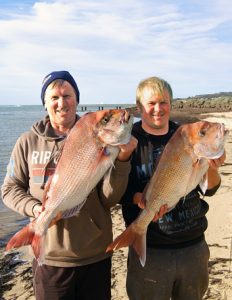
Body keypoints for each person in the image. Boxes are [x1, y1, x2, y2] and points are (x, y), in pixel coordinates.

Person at [1, 70, 137, 300]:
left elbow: (109, 199)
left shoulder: (96, 137)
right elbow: (9, 190)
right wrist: (37, 210)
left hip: (95, 255)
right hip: (50, 259)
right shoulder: (27, 142)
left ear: (77, 99)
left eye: (67, 95)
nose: (61, 102)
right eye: (54, 97)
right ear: (45, 103)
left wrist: (123, 161)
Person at [120, 76, 226, 300]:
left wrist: (213, 168)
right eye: (151, 103)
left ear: (171, 104)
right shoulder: (130, 140)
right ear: (139, 107)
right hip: (153, 250)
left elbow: (210, 189)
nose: (158, 109)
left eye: (164, 102)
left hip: (193, 246)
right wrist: (142, 200)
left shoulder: (187, 136)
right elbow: (119, 190)